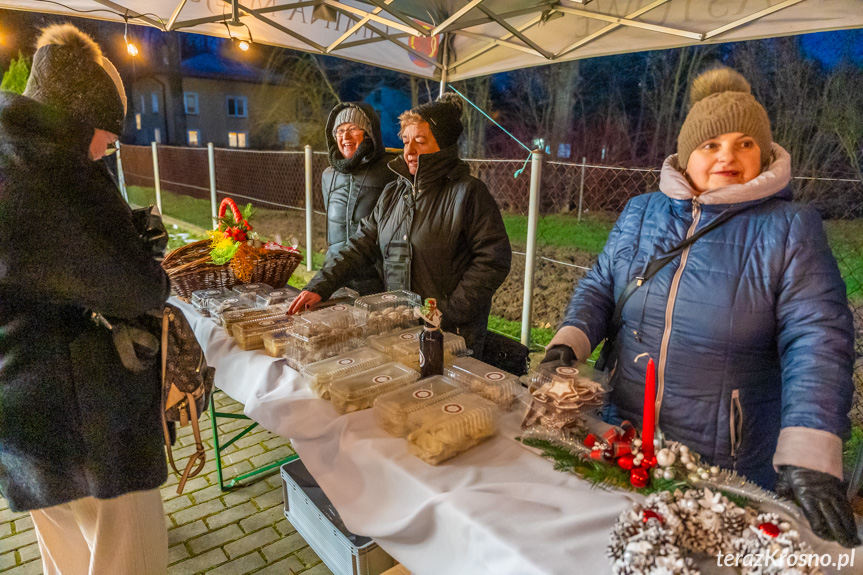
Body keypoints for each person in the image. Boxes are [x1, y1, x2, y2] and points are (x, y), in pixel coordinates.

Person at [543, 67, 859, 547]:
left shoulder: (790, 227)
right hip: (623, 433)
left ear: (766, 153)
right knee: (611, 548)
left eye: (745, 143)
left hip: (723, 459)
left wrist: (809, 450)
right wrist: (570, 342)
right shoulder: (642, 210)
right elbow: (602, 284)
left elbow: (818, 339)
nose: (727, 155)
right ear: (687, 154)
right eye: (711, 144)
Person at [0, 24, 171, 573]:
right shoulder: (54, 170)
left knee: (68, 558)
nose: (108, 149)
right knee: (128, 558)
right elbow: (137, 287)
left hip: (24, 412)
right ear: (82, 118)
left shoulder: (12, 151)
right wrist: (149, 266)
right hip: (88, 428)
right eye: (108, 135)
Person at [290, 94, 511, 358]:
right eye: (406, 141)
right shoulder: (393, 193)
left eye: (420, 141)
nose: (409, 151)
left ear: (444, 145)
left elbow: (493, 259)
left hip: (451, 334)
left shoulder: (469, 193)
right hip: (398, 326)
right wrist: (319, 286)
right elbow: (361, 244)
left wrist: (450, 311)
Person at [321, 102, 395, 295]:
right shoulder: (328, 175)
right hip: (336, 277)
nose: (345, 137)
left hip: (375, 280)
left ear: (369, 133)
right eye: (340, 130)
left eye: (353, 129)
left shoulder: (390, 170)